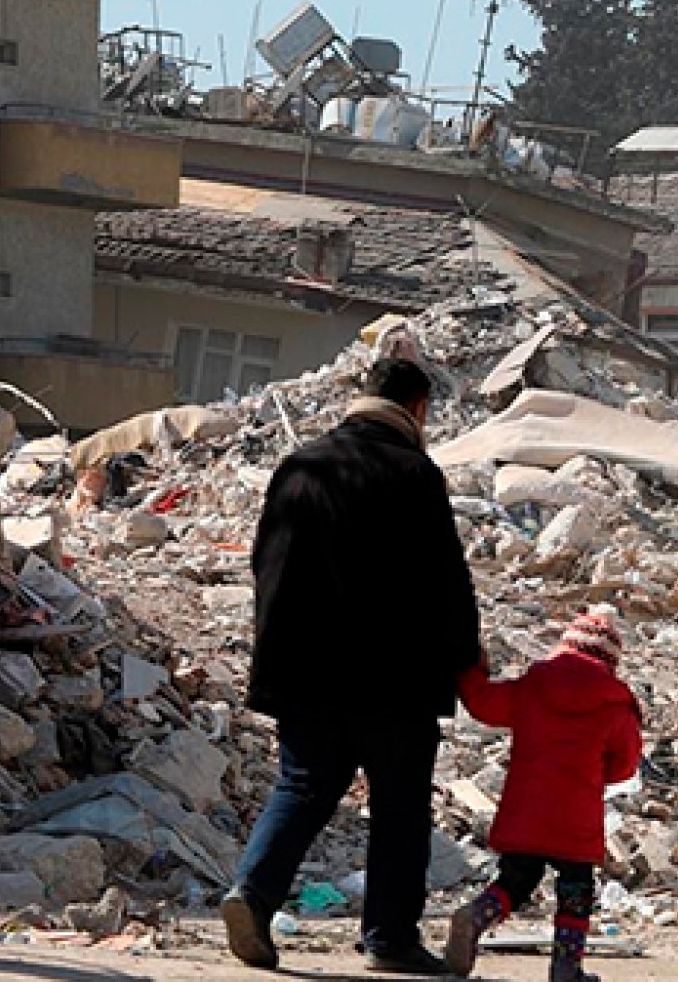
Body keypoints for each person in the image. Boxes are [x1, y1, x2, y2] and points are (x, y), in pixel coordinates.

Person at [222, 358, 481, 975]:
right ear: (417, 410)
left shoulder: (301, 465)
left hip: (305, 668)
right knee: (399, 804)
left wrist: (274, 661)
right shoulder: (415, 473)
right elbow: (445, 577)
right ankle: (389, 938)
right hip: (394, 677)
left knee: (304, 784)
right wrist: (466, 652)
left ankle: (253, 895)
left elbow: (267, 565)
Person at [443, 609, 644, 981]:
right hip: (576, 819)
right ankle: (566, 968)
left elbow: (484, 704)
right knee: (576, 892)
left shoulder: (533, 686)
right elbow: (626, 765)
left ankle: (475, 916)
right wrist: (597, 775)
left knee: (516, 881)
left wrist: (471, 671)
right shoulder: (615, 705)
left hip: (526, 813)